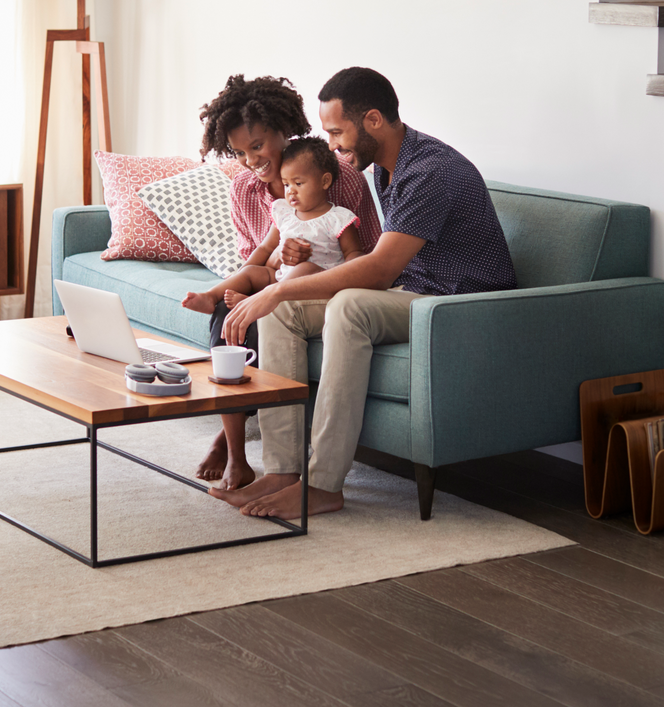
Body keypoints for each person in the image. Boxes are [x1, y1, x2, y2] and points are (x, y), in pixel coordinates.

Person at [212, 67, 518, 519]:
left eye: (337, 132)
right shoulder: (388, 170)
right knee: (282, 312)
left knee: (347, 305)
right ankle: (283, 471)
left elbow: (377, 270)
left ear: (372, 119)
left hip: (459, 304)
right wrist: (279, 290)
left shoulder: (430, 170)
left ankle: (323, 486)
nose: (332, 145)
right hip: (415, 293)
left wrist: (274, 292)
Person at [191, 75, 382, 490]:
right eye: (240, 152)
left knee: (264, 311)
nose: (250, 161)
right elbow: (255, 258)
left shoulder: (338, 177)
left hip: (325, 283)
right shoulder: (243, 187)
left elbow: (363, 255)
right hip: (273, 278)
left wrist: (298, 265)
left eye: (258, 147)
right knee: (229, 311)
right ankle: (237, 456)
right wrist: (279, 259)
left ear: (283, 130)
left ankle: (230, 437)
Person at [182, 137, 364, 314]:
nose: (290, 190)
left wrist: (346, 280)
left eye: (298, 183)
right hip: (281, 278)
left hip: (318, 283)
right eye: (286, 184)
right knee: (253, 271)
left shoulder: (338, 218)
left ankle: (257, 301)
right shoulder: (284, 212)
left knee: (306, 268)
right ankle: (210, 296)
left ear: (325, 181)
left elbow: (353, 254)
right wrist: (244, 273)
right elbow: (265, 247)